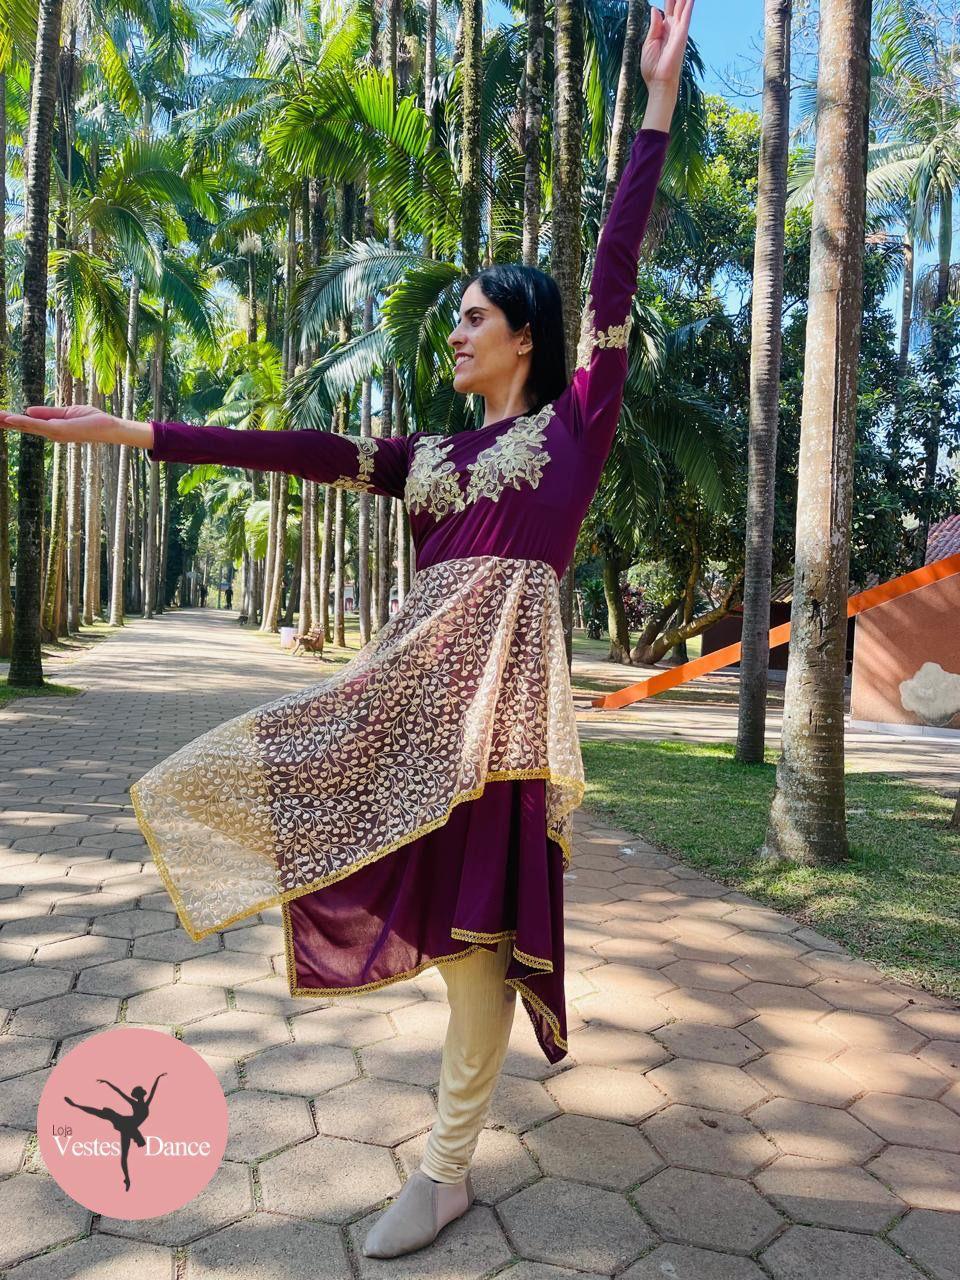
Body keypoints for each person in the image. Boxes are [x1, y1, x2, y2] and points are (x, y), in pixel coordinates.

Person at [0, 1, 691, 1256]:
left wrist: (653, 105)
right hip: (406, 702)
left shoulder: (575, 424)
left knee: (480, 942)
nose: (456, 331)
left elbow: (615, 267)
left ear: (525, 334)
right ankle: (431, 1123)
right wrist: (132, 431)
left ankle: (444, 1168)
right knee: (271, 791)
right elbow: (302, 450)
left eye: (475, 315)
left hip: (503, 724)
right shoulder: (429, 457)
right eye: (457, 316)